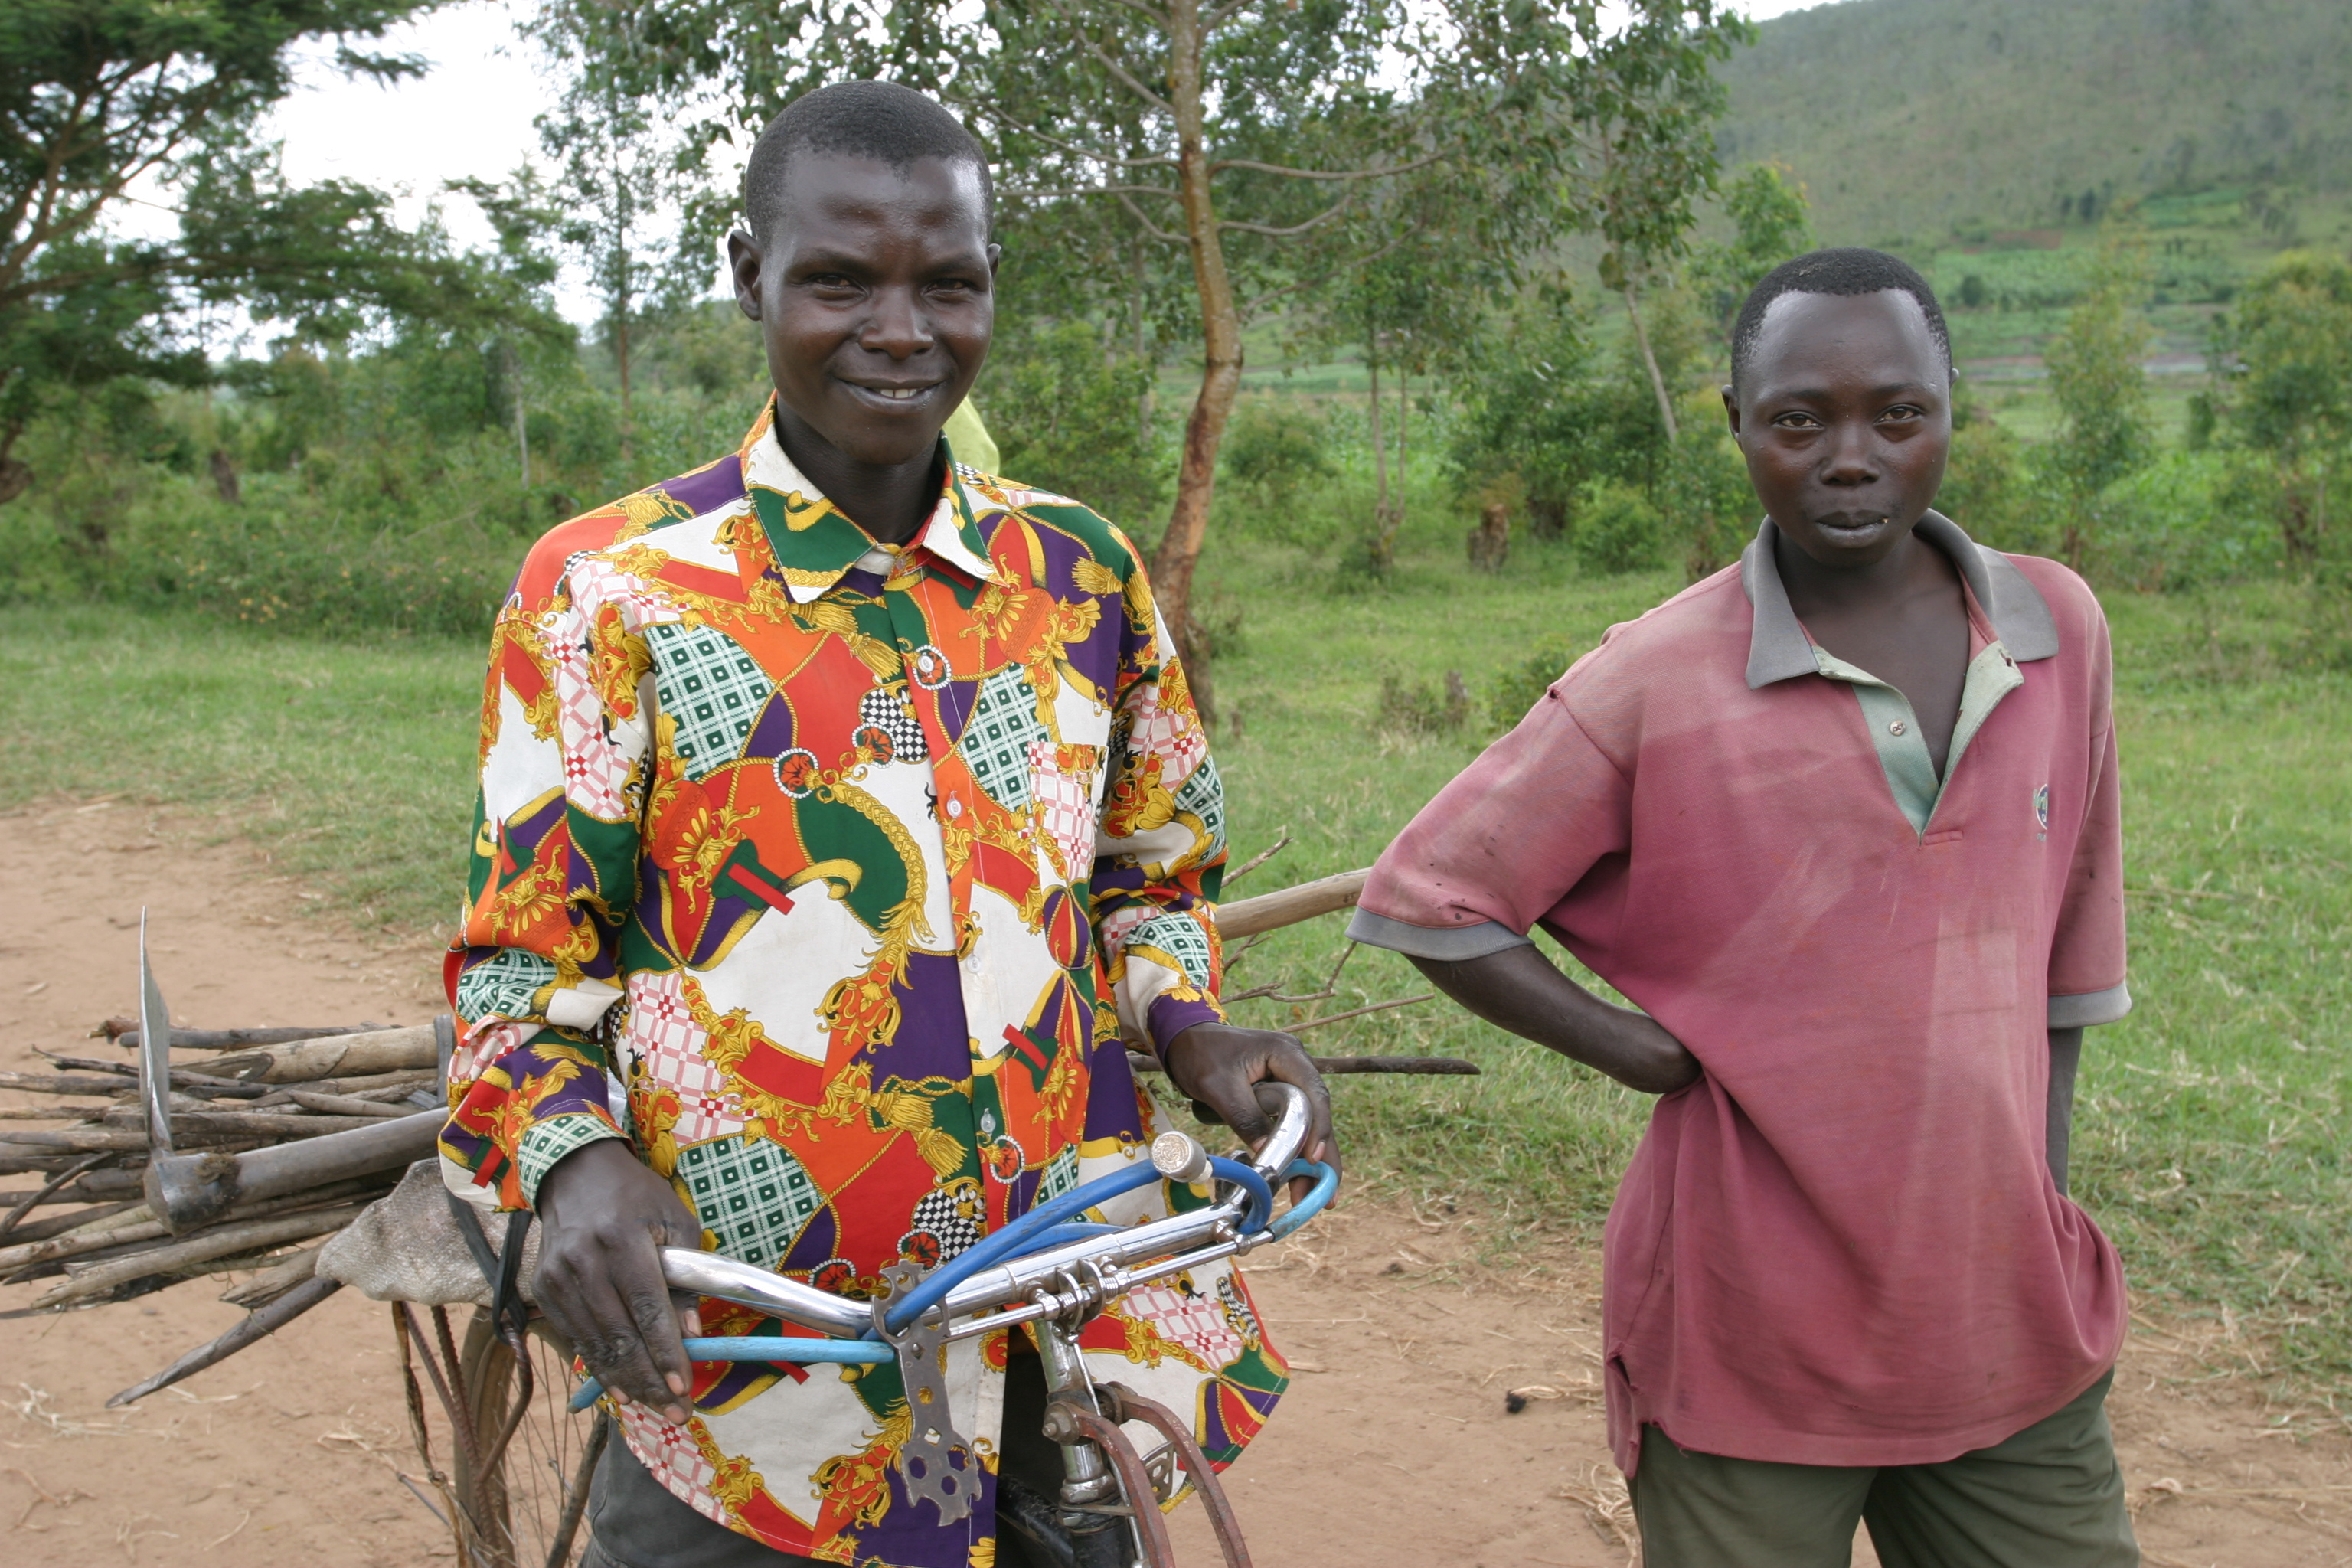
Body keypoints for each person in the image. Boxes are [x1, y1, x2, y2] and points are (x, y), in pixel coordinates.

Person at [435, 80, 1334, 1568]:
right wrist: (574, 1158)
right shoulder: (608, 591)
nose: (902, 329)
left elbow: (1148, 873)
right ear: (749, 276)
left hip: (1066, 1317)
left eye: (950, 284)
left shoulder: (1080, 576)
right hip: (753, 1374)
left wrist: (1189, 1024)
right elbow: (518, 980)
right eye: (840, 279)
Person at [1347, 248, 2137, 1567]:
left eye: (1898, 415)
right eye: (1796, 419)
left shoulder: (2055, 627)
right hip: (1748, 1333)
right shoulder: (1659, 674)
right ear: (1735, 423)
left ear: (1952, 409)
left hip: (2008, 1323)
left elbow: (2070, 948)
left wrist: (2036, 1203)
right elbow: (1431, 897)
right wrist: (1642, 1048)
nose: (1849, 457)